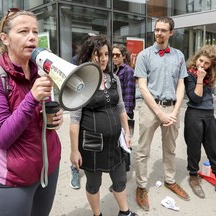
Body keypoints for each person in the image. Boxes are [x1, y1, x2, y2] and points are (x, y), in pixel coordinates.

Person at [0, 9, 63, 216]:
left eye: (34, 31)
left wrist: (52, 117)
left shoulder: (40, 70)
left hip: (48, 167)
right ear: (5, 38)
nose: (32, 36)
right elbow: (1, 138)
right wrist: (31, 98)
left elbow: (39, 114)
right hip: (13, 178)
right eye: (23, 31)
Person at [69, 35, 137, 216]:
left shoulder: (113, 79)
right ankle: (97, 214)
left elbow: (121, 107)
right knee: (93, 183)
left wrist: (127, 133)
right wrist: (74, 150)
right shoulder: (81, 83)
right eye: (99, 54)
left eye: (106, 54)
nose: (104, 58)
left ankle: (124, 212)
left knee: (120, 178)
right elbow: (74, 119)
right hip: (91, 145)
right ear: (89, 56)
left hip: (115, 142)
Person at [134, 16, 190, 211]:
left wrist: (174, 111)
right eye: (157, 29)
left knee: (170, 149)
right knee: (143, 151)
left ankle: (170, 180)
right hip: (151, 108)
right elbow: (142, 86)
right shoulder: (144, 55)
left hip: (172, 109)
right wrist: (160, 113)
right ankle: (141, 186)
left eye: (163, 30)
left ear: (171, 33)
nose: (159, 33)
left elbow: (181, 84)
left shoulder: (179, 56)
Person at [184, 45, 216, 199]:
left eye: (206, 63)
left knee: (214, 148)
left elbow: (207, 95)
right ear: (196, 58)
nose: (202, 65)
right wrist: (199, 78)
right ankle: (193, 176)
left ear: (211, 65)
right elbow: (195, 98)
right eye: (200, 61)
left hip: (209, 115)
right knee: (194, 149)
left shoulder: (209, 75)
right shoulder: (190, 75)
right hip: (194, 115)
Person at [70, 32, 96, 190]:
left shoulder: (97, 58)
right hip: (78, 101)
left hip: (94, 101)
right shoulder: (76, 60)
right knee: (77, 140)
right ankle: (75, 169)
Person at [112, 43, 136, 172]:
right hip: (117, 112)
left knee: (125, 141)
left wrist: (125, 114)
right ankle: (123, 167)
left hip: (125, 112)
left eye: (117, 55)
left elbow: (129, 93)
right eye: (113, 55)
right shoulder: (115, 69)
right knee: (120, 141)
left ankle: (124, 170)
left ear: (123, 56)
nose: (114, 57)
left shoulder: (128, 70)